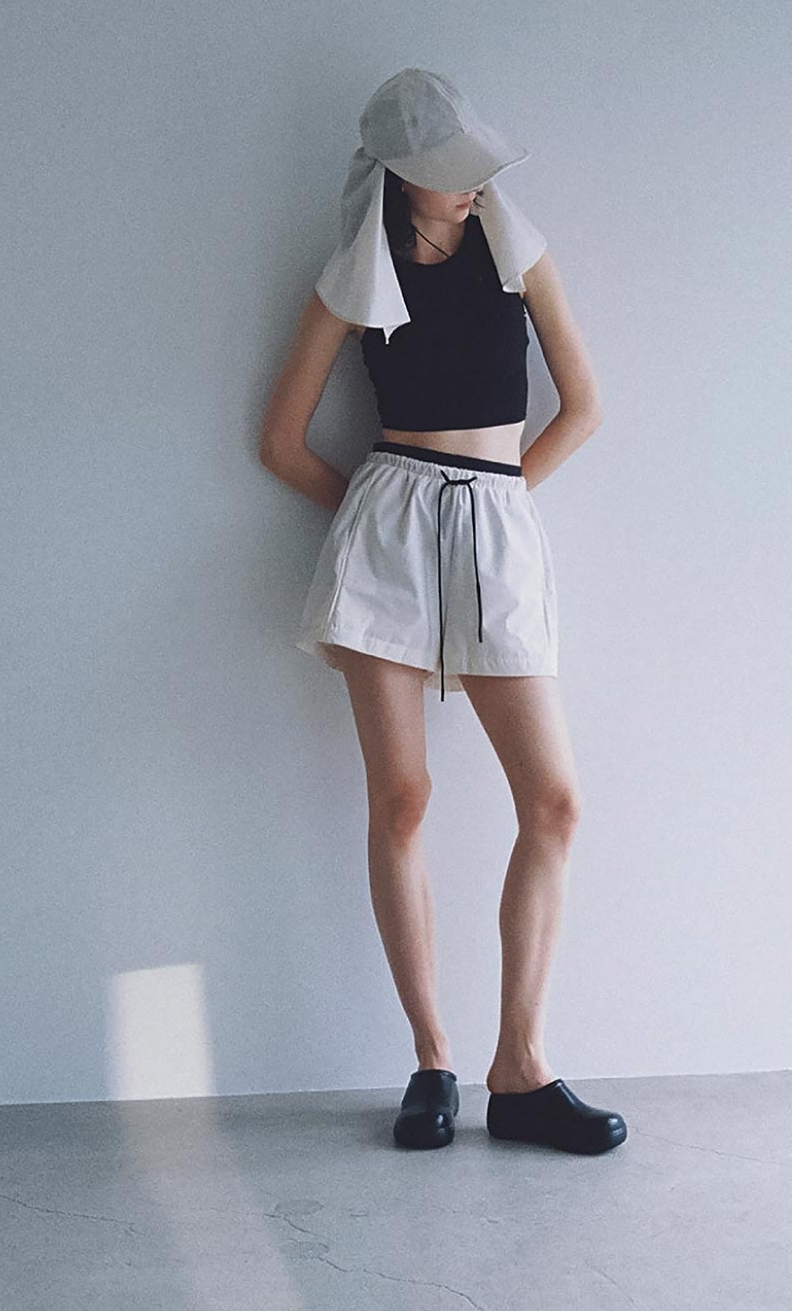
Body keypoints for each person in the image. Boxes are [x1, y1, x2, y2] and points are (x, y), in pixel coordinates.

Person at [260, 70, 627, 1156]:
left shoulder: (517, 250)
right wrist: (380, 518)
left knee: (553, 803)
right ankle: (432, 1062)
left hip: (497, 529)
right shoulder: (353, 277)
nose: (470, 187)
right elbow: (280, 442)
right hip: (388, 534)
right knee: (403, 801)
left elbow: (583, 407)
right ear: (397, 175)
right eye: (448, 173)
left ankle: (521, 1071)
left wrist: (494, 507)